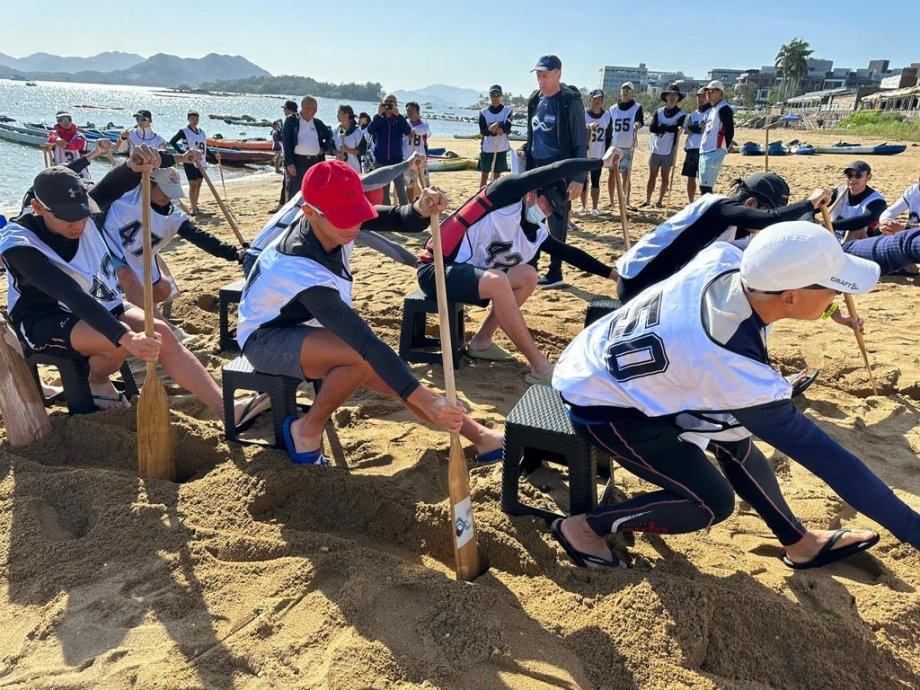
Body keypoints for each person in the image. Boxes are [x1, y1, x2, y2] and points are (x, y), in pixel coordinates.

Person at [551, 221, 920, 570]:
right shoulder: (730, 363)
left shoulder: (730, 258)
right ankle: (584, 529)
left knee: (733, 437)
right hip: (602, 404)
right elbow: (832, 463)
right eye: (833, 288)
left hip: (611, 357)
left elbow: (861, 251)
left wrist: (909, 244)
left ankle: (798, 542)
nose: (839, 295)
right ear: (790, 298)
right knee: (711, 503)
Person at [237, 161, 504, 465]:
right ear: (309, 212)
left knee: (391, 376)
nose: (353, 226)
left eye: (356, 215)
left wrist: (420, 206)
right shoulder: (299, 268)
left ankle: (481, 437)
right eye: (344, 219)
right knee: (368, 361)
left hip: (305, 326)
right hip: (265, 339)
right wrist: (425, 400)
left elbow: (401, 219)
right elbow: (364, 341)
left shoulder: (333, 220)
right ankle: (306, 430)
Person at [0, 147, 267, 426]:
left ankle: (226, 409)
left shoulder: (81, 210)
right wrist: (126, 337)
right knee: (117, 339)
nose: (80, 224)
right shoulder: (19, 244)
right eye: (68, 218)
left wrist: (133, 165)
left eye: (83, 215)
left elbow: (112, 185)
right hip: (46, 319)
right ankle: (97, 379)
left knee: (160, 331)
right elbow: (69, 293)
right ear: (38, 208)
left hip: (99, 301)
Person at [417, 152, 621, 388]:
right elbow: (556, 168)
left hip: (467, 273)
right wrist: (600, 162)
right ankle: (540, 367)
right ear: (532, 194)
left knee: (528, 276)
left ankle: (481, 341)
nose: (546, 213)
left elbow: (570, 254)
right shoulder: (503, 193)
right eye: (547, 205)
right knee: (498, 280)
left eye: (552, 212)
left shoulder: (535, 230)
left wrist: (612, 274)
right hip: (436, 270)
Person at [615, 172, 831, 303]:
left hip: (658, 283)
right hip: (639, 281)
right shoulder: (720, 209)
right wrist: (809, 202)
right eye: (766, 210)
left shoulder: (737, 225)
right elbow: (769, 220)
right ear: (751, 204)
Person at [241, 154, 429, 276]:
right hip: (261, 258)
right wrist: (406, 164)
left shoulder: (339, 212)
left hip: (277, 259)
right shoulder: (323, 197)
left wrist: (418, 263)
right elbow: (372, 181)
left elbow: (383, 243)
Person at [100, 164, 243, 311]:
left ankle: (137, 305)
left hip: (139, 256)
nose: (167, 197)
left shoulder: (174, 218)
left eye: (171, 192)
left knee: (163, 290)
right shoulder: (129, 194)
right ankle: (158, 322)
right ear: (148, 183)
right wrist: (177, 158)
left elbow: (202, 238)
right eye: (164, 191)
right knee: (126, 276)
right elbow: (130, 167)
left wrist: (233, 253)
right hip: (107, 249)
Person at [523, 54, 588, 289]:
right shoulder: (534, 100)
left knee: (554, 220)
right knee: (531, 218)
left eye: (546, 76)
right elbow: (535, 135)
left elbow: (581, 141)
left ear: (558, 74)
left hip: (559, 170)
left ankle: (556, 271)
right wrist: (524, 151)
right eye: (538, 76)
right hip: (535, 169)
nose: (541, 80)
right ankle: (532, 265)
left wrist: (579, 177)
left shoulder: (569, 101)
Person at [283, 95, 333, 202]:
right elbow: (286, 142)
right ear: (303, 107)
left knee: (313, 190)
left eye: (315, 109)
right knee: (295, 191)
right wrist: (289, 163)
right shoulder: (291, 120)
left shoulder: (317, 123)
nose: (313, 111)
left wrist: (323, 148)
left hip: (315, 161)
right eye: (310, 108)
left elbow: (329, 135)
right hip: (297, 162)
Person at [643, 85, 686, 208]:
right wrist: (667, 128)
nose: (672, 97)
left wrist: (662, 127)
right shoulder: (659, 111)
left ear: (678, 98)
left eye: (674, 95)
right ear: (666, 97)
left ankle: (660, 201)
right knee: (652, 174)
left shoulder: (681, 114)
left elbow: (677, 129)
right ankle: (648, 200)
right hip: (656, 147)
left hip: (669, 148)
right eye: (670, 95)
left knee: (665, 175)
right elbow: (652, 128)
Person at [368, 95, 411, 205]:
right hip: (380, 162)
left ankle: (405, 215)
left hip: (396, 161)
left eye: (391, 102)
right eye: (386, 102)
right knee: (383, 193)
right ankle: (388, 215)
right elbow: (370, 130)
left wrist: (398, 115)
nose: (388, 104)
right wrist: (378, 114)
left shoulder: (399, 119)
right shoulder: (379, 119)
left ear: (396, 105)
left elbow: (408, 131)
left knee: (401, 191)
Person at [828, 161, 886, 242]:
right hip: (836, 237)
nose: (852, 179)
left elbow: (860, 222)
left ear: (868, 177)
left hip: (861, 243)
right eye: (849, 175)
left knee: (855, 229)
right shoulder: (839, 191)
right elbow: (812, 207)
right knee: (813, 220)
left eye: (858, 175)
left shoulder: (877, 201)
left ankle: (843, 251)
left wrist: (827, 225)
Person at [608, 82, 644, 210]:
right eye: (624, 89)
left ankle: (625, 201)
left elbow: (640, 120)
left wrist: (638, 125)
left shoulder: (636, 107)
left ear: (632, 93)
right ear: (620, 91)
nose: (626, 91)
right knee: (612, 174)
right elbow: (609, 126)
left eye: (629, 90)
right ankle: (611, 201)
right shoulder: (613, 109)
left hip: (627, 146)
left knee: (625, 174)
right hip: (614, 146)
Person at [579, 89, 612, 215]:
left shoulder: (607, 116)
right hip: (586, 153)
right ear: (590, 100)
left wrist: (608, 153)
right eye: (595, 99)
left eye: (599, 99)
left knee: (595, 180)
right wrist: (588, 127)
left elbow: (609, 135)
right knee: (583, 180)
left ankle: (594, 206)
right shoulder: (584, 115)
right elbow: (579, 132)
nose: (597, 101)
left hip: (599, 153)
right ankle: (583, 205)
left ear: (602, 101)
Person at [168, 110, 208, 215]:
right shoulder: (184, 131)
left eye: (196, 119)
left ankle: (195, 204)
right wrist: (183, 154)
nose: (195, 121)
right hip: (189, 161)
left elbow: (204, 148)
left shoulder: (201, 132)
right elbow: (172, 141)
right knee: (193, 184)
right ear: (188, 119)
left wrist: (214, 156)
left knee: (198, 184)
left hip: (201, 161)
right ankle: (193, 208)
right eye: (192, 119)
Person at [698, 81, 734, 195]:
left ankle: (709, 210)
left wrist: (726, 146)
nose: (708, 94)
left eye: (711, 91)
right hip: (706, 149)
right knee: (703, 184)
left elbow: (729, 130)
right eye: (707, 91)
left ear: (720, 92)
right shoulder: (714, 108)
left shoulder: (724, 108)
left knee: (706, 187)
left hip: (715, 149)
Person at [479, 85, 513, 188]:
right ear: (490, 96)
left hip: (501, 147)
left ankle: (494, 195)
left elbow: (507, 128)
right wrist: (495, 131)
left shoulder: (507, 111)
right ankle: (480, 194)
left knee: (497, 175)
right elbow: (484, 131)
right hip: (488, 147)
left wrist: (498, 124)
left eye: (497, 95)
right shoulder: (484, 112)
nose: (495, 98)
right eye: (493, 95)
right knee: (485, 173)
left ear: (501, 96)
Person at [682, 88, 710, 202]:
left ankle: (704, 201)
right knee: (691, 177)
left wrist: (696, 128)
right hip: (691, 148)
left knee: (705, 179)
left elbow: (707, 129)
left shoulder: (712, 112)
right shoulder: (692, 114)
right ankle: (691, 201)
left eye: (703, 96)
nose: (701, 99)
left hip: (705, 148)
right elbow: (685, 129)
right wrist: (697, 127)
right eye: (699, 96)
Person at [46, 110, 90, 179]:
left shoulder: (80, 136)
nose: (66, 122)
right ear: (58, 121)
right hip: (59, 172)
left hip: (80, 173)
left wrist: (66, 146)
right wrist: (57, 140)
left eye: (68, 119)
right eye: (63, 120)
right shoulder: (54, 134)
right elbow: (50, 138)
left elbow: (76, 145)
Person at [273, 100, 298, 211]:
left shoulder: (291, 121)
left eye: (284, 109)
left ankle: (284, 205)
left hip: (291, 158)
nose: (283, 111)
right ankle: (282, 204)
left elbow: (283, 139)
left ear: (288, 109)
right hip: (291, 156)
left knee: (288, 183)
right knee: (286, 183)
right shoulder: (296, 120)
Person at [404, 102, 431, 192]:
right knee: (409, 185)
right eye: (408, 111)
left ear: (418, 111)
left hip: (421, 157)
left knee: (425, 183)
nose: (409, 113)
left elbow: (424, 130)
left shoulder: (424, 124)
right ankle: (410, 204)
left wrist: (413, 131)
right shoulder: (404, 124)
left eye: (412, 110)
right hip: (408, 158)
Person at [333, 104, 366, 175]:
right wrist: (337, 153)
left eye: (339, 113)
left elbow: (362, 151)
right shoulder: (336, 131)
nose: (337, 115)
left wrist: (347, 150)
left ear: (346, 115)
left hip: (354, 169)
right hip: (339, 168)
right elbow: (330, 147)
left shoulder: (358, 133)